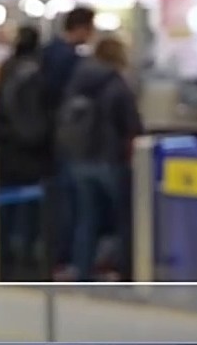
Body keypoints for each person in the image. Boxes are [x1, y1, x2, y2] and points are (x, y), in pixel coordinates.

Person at [56, 36, 143, 281]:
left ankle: (82, 272)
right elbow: (133, 125)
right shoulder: (116, 84)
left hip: (79, 160)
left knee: (86, 220)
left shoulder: (77, 80)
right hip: (109, 161)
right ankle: (126, 272)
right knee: (125, 220)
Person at [0, 25, 52, 279]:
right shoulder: (37, 71)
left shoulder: (6, 68)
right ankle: (27, 255)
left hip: (6, 144)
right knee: (30, 206)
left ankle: (3, 251)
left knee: (6, 203)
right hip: (30, 149)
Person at [38, 5, 95, 278]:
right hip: (66, 139)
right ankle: (64, 258)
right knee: (70, 202)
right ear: (82, 28)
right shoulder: (70, 60)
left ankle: (52, 255)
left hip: (47, 136)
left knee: (56, 199)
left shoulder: (48, 51)